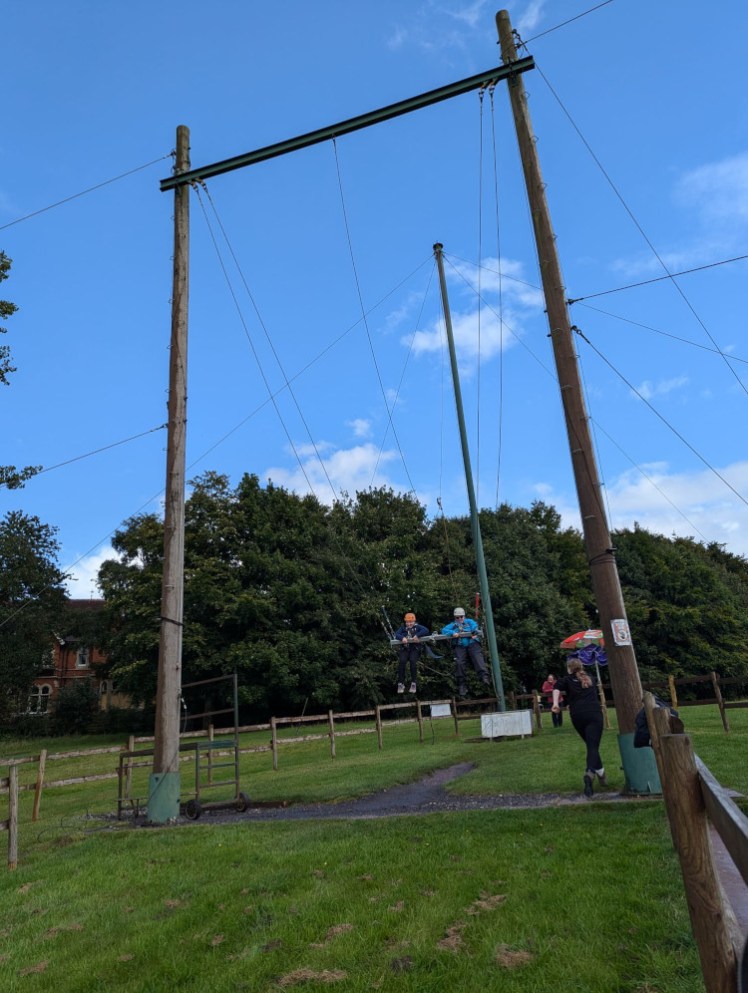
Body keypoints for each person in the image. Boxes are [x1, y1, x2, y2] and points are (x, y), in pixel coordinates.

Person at [552, 657, 605, 796]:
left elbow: (556, 688)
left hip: (577, 716)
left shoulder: (566, 680)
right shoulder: (590, 678)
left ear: (569, 668)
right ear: (581, 667)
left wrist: (556, 704)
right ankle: (590, 772)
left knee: (591, 745)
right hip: (594, 714)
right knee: (592, 746)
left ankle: (601, 773)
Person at [441, 607, 491, 698]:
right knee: (459, 663)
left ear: (464, 616)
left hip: (472, 644)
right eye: (457, 617)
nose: (460, 619)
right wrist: (452, 633)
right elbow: (444, 630)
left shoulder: (469, 622)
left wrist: (473, 632)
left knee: (478, 659)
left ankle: (484, 677)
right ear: (455, 618)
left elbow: (474, 626)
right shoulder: (453, 625)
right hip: (460, 646)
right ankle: (462, 685)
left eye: (461, 617)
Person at [392, 611, 430, 694]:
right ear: (405, 622)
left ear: (414, 621)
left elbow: (426, 630)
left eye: (411, 622)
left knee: (413, 662)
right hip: (405, 649)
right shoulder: (403, 628)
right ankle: (401, 683)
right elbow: (396, 634)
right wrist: (402, 638)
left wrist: (417, 635)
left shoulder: (417, 627)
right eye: (407, 622)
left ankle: (413, 683)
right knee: (402, 662)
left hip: (414, 649)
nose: (409, 624)